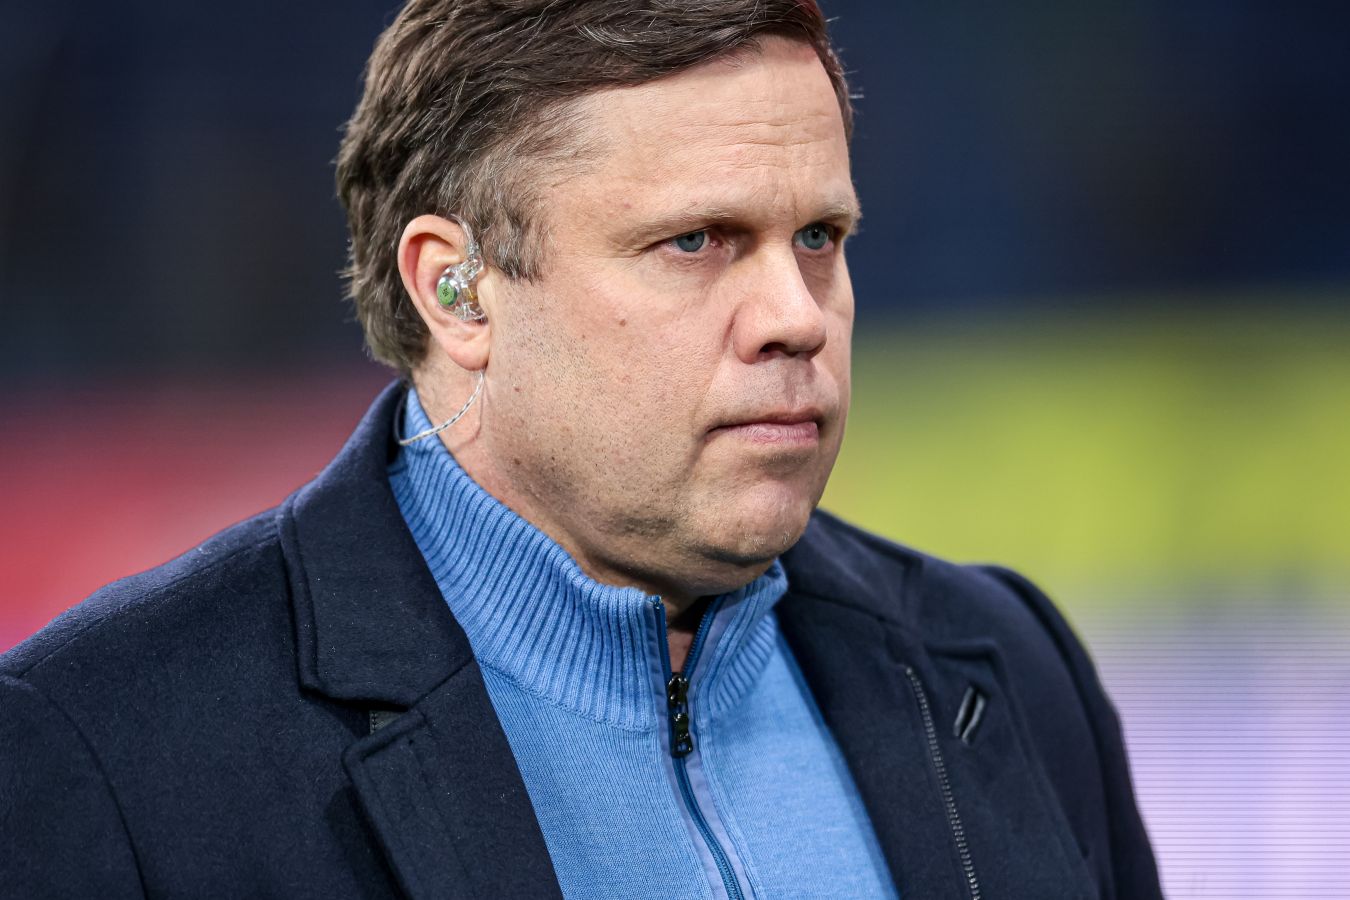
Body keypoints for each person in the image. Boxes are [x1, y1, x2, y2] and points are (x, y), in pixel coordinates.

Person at [0, 2, 1162, 897]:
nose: (797, 316)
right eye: (695, 241)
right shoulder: (110, 752)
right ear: (457, 292)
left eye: (819, 235)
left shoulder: (1006, 667)